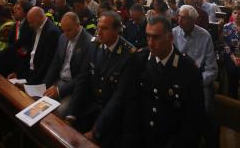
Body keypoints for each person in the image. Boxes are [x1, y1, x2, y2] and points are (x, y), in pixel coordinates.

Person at [125, 16, 205, 148]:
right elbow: (131, 106)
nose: (150, 43)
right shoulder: (139, 61)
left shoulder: (188, 70)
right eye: (148, 36)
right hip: (141, 139)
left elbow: (193, 120)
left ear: (170, 38)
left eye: (156, 37)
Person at [66, 11, 135, 147]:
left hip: (113, 116)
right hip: (91, 105)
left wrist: (96, 130)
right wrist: (71, 113)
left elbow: (118, 98)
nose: (99, 32)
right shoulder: (94, 45)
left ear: (117, 30)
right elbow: (83, 80)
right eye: (98, 28)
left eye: (104, 28)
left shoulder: (129, 55)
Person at [172, 5, 218, 147]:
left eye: (184, 18)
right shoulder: (173, 33)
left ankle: (209, 140)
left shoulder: (205, 36)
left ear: (193, 20)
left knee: (205, 111)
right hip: (178, 78)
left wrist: (198, 82)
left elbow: (211, 69)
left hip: (199, 80)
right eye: (179, 16)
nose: (179, 20)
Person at [43, 12, 91, 116]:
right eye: (63, 30)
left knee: (57, 113)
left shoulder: (89, 43)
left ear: (78, 26)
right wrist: (45, 84)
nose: (65, 34)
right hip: (58, 81)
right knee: (39, 102)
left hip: (74, 88)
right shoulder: (62, 37)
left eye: (68, 30)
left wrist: (59, 90)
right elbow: (55, 64)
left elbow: (83, 77)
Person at [7, 7, 61, 84]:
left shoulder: (52, 32)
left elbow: (46, 63)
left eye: (31, 22)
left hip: (39, 78)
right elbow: (31, 54)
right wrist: (19, 74)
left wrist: (29, 83)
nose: (30, 25)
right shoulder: (37, 27)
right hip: (30, 73)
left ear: (41, 17)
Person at [0, 0, 34, 76]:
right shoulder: (17, 24)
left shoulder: (29, 26)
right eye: (15, 8)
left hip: (22, 61)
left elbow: (18, 46)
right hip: (13, 56)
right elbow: (10, 44)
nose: (15, 11)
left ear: (26, 12)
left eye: (18, 9)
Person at [223, 5, 240, 99]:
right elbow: (226, 45)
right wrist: (234, 58)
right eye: (235, 13)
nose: (237, 16)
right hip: (231, 56)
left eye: (239, 13)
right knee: (232, 72)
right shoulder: (227, 27)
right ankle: (232, 97)